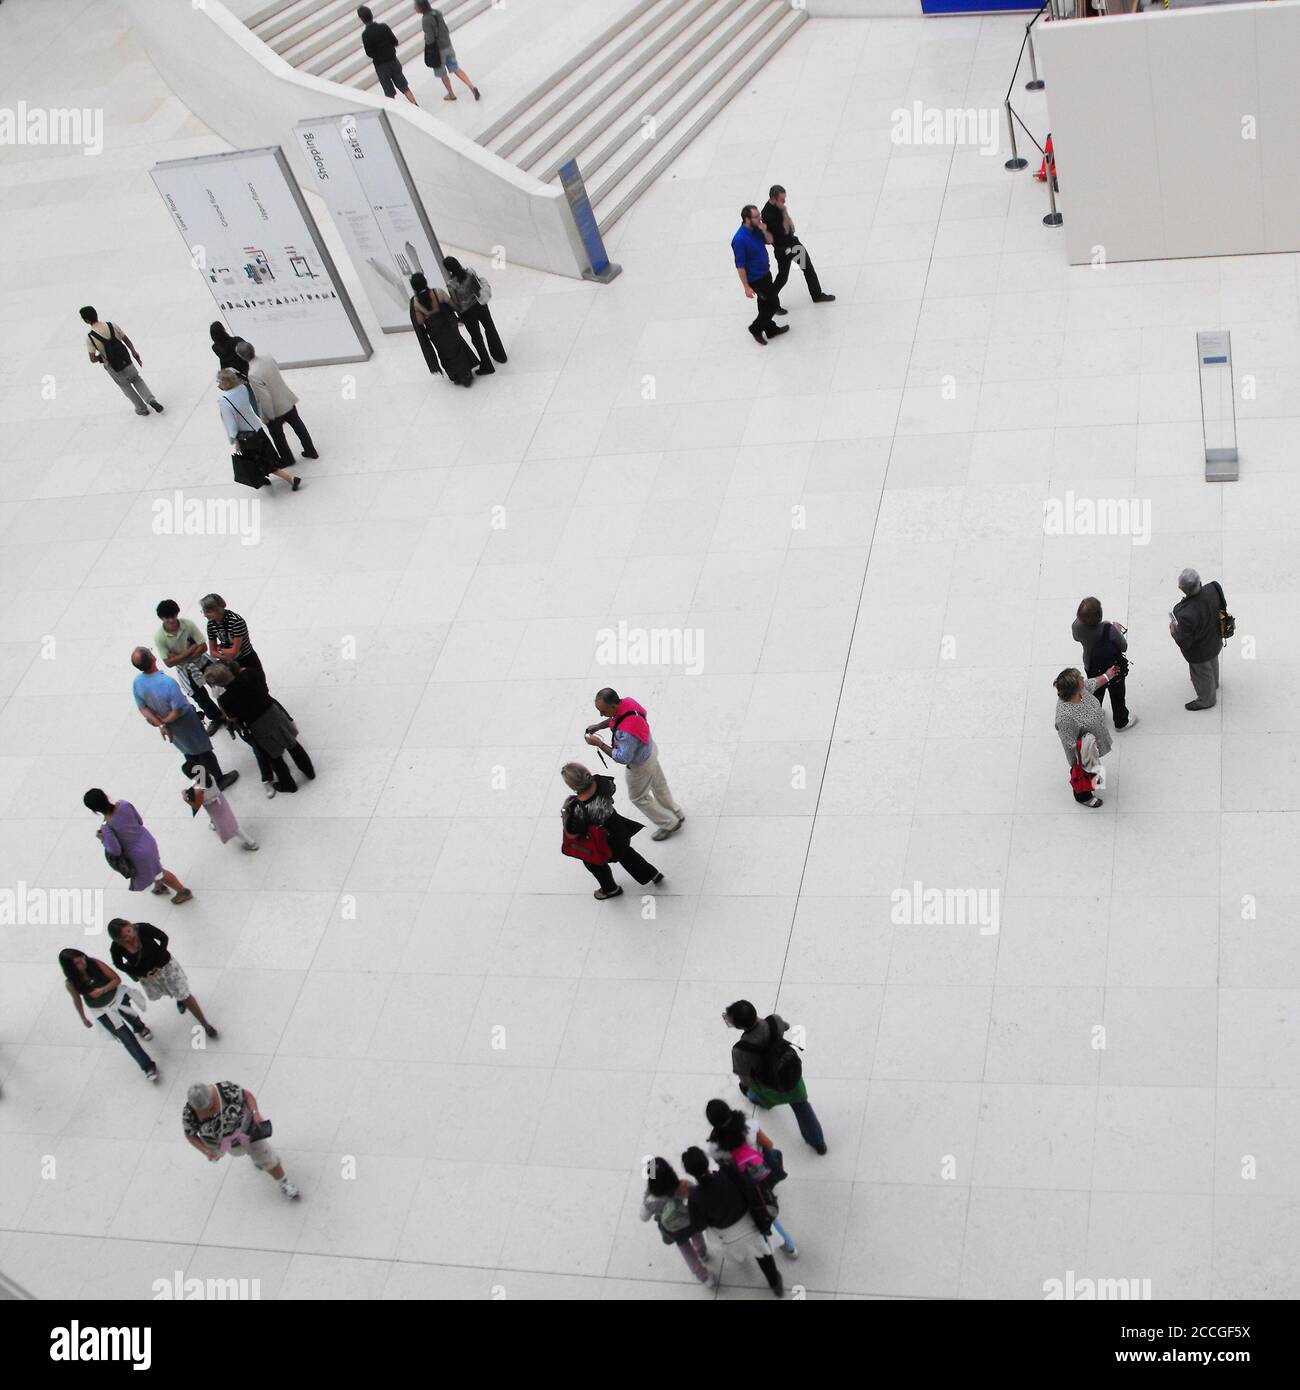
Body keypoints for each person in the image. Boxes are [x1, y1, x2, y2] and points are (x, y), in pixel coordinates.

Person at [725, 1000, 827, 1155]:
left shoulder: (740, 1050)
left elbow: (746, 1080)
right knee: (801, 1106)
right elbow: (785, 1027)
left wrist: (747, 1086)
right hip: (790, 1074)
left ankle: (755, 1099)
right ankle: (818, 1142)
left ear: (739, 1026)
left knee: (752, 1092)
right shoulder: (774, 1021)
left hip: (768, 1085)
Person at [680, 1147, 783, 1298]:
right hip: (751, 1227)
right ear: (706, 1161)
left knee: (738, 1250)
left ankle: (742, 1258)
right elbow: (749, 1188)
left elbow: (699, 1225)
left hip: (728, 1238)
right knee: (764, 1256)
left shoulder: (694, 1197)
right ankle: (775, 1284)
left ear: (689, 1172)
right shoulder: (727, 1173)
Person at [130, 647, 238, 790]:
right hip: (187, 723)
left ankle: (203, 782)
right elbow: (177, 711)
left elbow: (142, 708)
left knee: (188, 753)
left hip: (171, 730)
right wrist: (165, 722)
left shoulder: (137, 683)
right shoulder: (167, 683)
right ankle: (219, 779)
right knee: (204, 751)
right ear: (153, 658)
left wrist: (161, 724)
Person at [583, 688, 684, 841]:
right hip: (650, 749)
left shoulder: (627, 732)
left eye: (603, 711)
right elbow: (615, 719)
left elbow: (623, 757)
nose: (601, 715)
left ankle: (669, 823)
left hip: (640, 765)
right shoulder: (628, 702)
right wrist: (598, 726)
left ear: (613, 706)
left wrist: (600, 744)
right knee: (659, 785)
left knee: (638, 797)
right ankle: (676, 812)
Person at [205, 661, 315, 796]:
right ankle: (309, 771)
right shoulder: (250, 674)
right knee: (292, 744)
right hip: (274, 714)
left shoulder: (225, 699)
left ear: (219, 684)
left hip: (258, 726)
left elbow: (233, 718)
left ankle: (288, 784)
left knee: (275, 758)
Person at [705, 1099, 797, 1257]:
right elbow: (769, 1145)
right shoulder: (750, 1125)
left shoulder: (715, 1148)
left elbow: (725, 1168)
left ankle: (788, 1245)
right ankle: (789, 1246)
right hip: (763, 1171)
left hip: (745, 1184)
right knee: (767, 1200)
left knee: (764, 1211)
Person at [560, 762, 663, 901]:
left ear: (573, 786)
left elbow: (574, 830)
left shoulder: (578, 808)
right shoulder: (602, 782)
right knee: (626, 853)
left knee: (595, 864)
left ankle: (610, 889)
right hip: (619, 831)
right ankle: (651, 874)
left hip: (603, 843)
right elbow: (612, 788)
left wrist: (566, 813)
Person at [182, 1081, 300, 1200]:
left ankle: (284, 1182)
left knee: (266, 1158)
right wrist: (206, 1151)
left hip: (247, 1131)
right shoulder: (189, 1114)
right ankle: (252, 1155)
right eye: (203, 1110)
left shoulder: (225, 1090)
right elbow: (190, 1135)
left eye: (210, 1106)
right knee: (239, 1152)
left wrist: (255, 1113)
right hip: (224, 1143)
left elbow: (247, 1095)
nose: (208, 1110)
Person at [108, 919, 219, 1039]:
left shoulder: (143, 928)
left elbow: (163, 938)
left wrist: (158, 964)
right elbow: (118, 964)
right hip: (149, 977)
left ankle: (205, 1024)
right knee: (172, 991)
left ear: (130, 925)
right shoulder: (116, 948)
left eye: (129, 931)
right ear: (118, 940)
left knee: (185, 994)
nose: (130, 936)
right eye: (124, 937)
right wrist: (141, 973)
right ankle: (179, 999)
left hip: (166, 967)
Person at [59, 948, 158, 1081]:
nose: (82, 963)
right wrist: (83, 1018)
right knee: (127, 1039)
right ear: (70, 967)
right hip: (101, 1011)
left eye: (81, 958)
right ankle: (147, 1066)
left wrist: (103, 990)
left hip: (117, 998)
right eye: (77, 963)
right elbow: (77, 999)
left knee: (132, 1017)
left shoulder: (94, 963)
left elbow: (116, 979)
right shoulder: (71, 983)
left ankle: (140, 1028)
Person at [84, 787, 193, 904]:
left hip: (138, 854)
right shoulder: (124, 804)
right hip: (147, 840)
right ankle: (159, 886)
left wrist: (103, 839)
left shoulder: (106, 827)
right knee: (154, 867)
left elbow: (115, 850)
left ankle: (182, 891)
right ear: (105, 796)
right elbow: (139, 821)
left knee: (159, 872)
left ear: (94, 810)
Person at [234, 340, 318, 471]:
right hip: (286, 398)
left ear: (242, 357)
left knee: (278, 437)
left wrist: (268, 416)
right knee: (298, 425)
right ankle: (310, 450)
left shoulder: (252, 374)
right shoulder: (268, 357)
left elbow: (264, 398)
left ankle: (287, 459)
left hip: (275, 409)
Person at [217, 368, 301, 491]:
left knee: (263, 462)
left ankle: (291, 478)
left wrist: (234, 439)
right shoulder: (242, 389)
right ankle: (263, 478)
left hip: (246, 437)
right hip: (257, 428)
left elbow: (232, 425)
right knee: (266, 456)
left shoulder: (224, 402)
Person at [640, 1156, 715, 1287]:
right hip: (690, 1220)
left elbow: (644, 1217)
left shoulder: (651, 1200)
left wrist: (647, 1195)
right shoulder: (684, 1185)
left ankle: (704, 1277)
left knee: (685, 1249)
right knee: (697, 1236)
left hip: (672, 1229)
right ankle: (702, 1253)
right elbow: (696, 1194)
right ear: (671, 1172)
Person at [1053, 666, 1121, 808]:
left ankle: (1093, 775)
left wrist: (1107, 676)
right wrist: (1084, 755)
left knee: (1093, 767)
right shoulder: (1065, 716)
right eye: (1079, 678)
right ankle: (1083, 796)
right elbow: (1069, 742)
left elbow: (1093, 683)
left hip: (1093, 743)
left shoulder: (1081, 691)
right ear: (1074, 689)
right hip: (1082, 753)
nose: (1083, 678)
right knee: (1083, 772)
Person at [761, 185, 835, 311]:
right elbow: (785, 230)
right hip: (782, 249)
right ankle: (771, 303)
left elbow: (791, 227)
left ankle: (816, 294)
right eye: (782, 200)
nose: (784, 202)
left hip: (793, 244)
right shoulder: (768, 214)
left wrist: (785, 213)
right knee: (782, 277)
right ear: (773, 199)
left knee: (807, 267)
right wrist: (784, 213)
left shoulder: (779, 207)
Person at [156, 599, 224, 733]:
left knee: (221, 684)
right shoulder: (160, 637)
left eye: (173, 616)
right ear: (161, 618)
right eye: (166, 618)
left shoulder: (188, 625)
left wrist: (178, 657)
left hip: (202, 662)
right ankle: (216, 717)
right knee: (200, 697)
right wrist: (190, 650)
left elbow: (203, 647)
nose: (170, 620)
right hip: (186, 671)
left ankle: (231, 710)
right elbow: (168, 663)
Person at [81, 306, 163, 416]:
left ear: (86, 320)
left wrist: (101, 357)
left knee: (126, 387)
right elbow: (126, 340)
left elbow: (92, 359)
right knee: (137, 380)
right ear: (96, 314)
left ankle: (142, 409)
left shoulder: (90, 337)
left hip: (112, 367)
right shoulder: (111, 325)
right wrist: (134, 352)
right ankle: (151, 400)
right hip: (126, 360)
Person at [1072, 597, 1137, 731]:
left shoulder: (1077, 626)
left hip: (1091, 665)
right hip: (1114, 668)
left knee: (1095, 692)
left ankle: (1094, 717)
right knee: (1118, 696)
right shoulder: (1108, 629)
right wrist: (1117, 629)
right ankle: (1121, 721)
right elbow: (1123, 646)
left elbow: (1076, 638)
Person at [1170, 567, 1227, 710]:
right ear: (1200, 581)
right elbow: (1223, 607)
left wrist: (1174, 632)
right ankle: (1215, 684)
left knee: (1202, 672)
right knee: (1213, 661)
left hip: (1199, 652)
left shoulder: (1183, 613)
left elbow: (1184, 641)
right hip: (1215, 640)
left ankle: (1207, 700)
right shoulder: (1214, 588)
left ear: (1181, 588)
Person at [731, 204, 786, 347]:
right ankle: (755, 328)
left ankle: (770, 329)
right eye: (756, 217)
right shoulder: (739, 240)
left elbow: (770, 241)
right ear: (746, 219)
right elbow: (740, 266)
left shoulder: (756, 229)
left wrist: (764, 229)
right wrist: (746, 287)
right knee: (773, 304)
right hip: (756, 279)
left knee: (764, 303)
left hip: (765, 273)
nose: (760, 218)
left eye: (759, 215)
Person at [408, 273, 478, 386]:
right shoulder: (438, 292)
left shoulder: (414, 302)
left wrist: (426, 315)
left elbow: (420, 322)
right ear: (425, 281)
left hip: (434, 331)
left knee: (444, 352)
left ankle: (456, 375)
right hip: (449, 325)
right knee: (457, 347)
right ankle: (466, 373)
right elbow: (453, 305)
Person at [441, 257, 506, 374]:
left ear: (448, 269)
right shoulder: (470, 271)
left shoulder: (451, 284)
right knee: (490, 328)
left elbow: (456, 302)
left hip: (467, 313)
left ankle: (487, 365)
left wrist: (458, 315)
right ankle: (500, 355)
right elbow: (478, 286)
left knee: (477, 339)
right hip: (480, 305)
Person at [182, 759, 259, 851]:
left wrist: (184, 797)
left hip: (212, 807)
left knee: (232, 826)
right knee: (227, 818)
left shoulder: (197, 788)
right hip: (220, 801)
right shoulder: (209, 776)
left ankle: (251, 843)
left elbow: (195, 804)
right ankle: (213, 823)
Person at [417, 1, 480, 101]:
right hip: (448, 45)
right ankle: (471, 87)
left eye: (416, 6)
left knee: (443, 74)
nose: (415, 8)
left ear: (420, 7)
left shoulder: (426, 19)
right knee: (456, 68)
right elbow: (444, 28)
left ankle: (451, 94)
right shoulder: (437, 12)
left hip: (438, 51)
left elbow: (430, 38)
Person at [359, 4, 418, 106]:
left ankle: (394, 111)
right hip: (393, 60)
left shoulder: (365, 35)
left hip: (381, 66)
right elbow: (395, 41)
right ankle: (415, 105)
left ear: (362, 19)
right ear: (371, 15)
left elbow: (369, 53)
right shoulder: (384, 27)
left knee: (389, 92)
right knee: (404, 86)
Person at [201, 594, 262, 673]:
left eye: (208, 612)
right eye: (204, 612)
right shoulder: (211, 624)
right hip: (228, 661)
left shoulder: (236, 621)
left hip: (246, 658)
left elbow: (234, 652)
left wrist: (221, 650)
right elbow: (213, 652)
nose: (205, 615)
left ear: (218, 609)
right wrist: (225, 653)